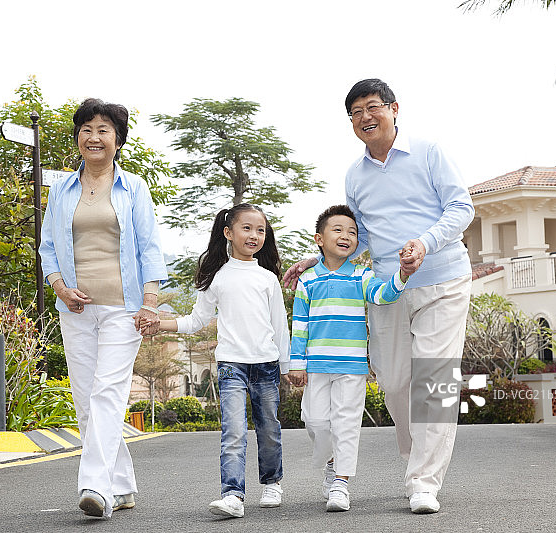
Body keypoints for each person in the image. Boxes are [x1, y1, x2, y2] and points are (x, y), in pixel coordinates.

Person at [283, 79, 474, 514]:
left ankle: (424, 480)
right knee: (392, 381)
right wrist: (319, 261)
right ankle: (417, 455)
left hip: (442, 278)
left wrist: (425, 243)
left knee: (435, 378)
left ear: (394, 109)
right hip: (386, 286)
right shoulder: (355, 174)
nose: (365, 117)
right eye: (356, 112)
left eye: (373, 107)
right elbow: (360, 235)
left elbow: (462, 208)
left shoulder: (428, 152)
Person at [39, 98, 167, 519]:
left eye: (104, 130)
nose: (94, 137)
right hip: (75, 308)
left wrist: (149, 302)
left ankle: (95, 486)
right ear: (78, 137)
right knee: (85, 400)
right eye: (87, 129)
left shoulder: (134, 189)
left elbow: (149, 247)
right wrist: (60, 287)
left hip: (123, 308)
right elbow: (49, 248)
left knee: (107, 393)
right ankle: (123, 484)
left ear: (118, 140)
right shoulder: (60, 189)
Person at [143, 203, 289, 519]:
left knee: (269, 430)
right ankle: (233, 495)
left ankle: (272, 482)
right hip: (231, 366)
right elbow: (196, 320)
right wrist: (160, 323)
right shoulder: (217, 277)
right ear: (228, 232)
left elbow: (280, 327)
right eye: (246, 228)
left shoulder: (268, 279)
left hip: (266, 365)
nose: (254, 235)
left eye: (260, 230)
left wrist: (287, 367)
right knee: (233, 431)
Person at [288, 205, 413, 513]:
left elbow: (384, 295)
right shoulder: (307, 281)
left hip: (352, 366)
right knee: (315, 421)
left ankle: (341, 483)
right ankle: (331, 464)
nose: (346, 236)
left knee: (346, 424)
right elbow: (300, 324)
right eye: (338, 230)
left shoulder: (361, 275)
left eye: (353, 232)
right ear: (319, 238)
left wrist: (402, 275)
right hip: (316, 367)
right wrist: (296, 363)